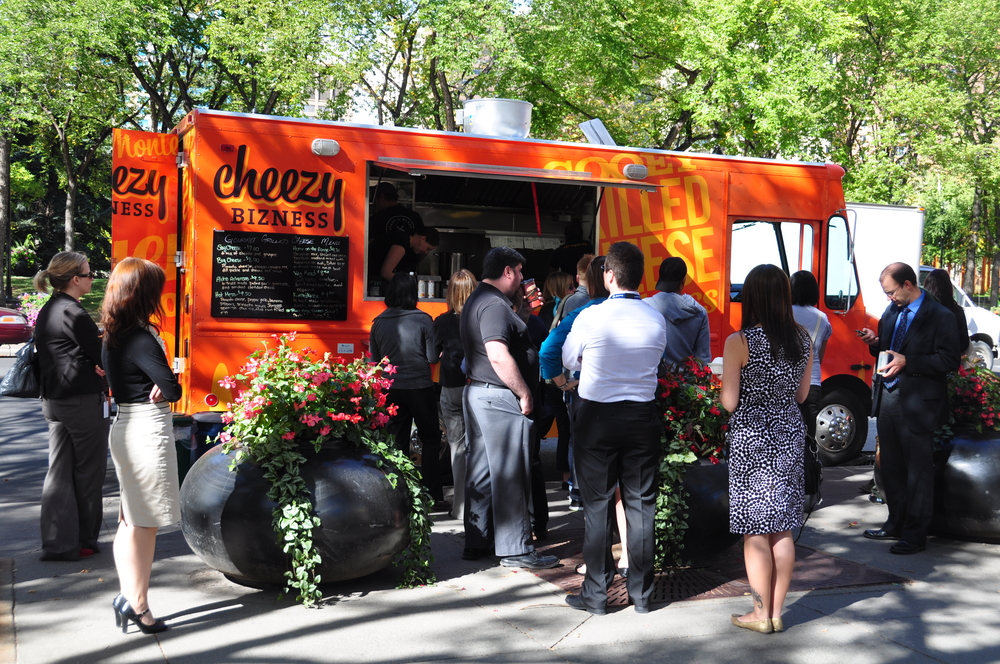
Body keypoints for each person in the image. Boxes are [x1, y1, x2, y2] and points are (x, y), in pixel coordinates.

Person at [561, 242, 666, 615]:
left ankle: (596, 594)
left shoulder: (591, 317)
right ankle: (642, 593)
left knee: (598, 506)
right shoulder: (655, 318)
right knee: (641, 505)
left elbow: (569, 358)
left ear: (608, 275)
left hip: (596, 416)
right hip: (641, 416)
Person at [721, 263, 812, 634]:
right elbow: (802, 395)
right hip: (789, 433)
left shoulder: (739, 342)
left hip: (752, 440)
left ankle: (758, 614)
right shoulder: (803, 337)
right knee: (783, 528)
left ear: (752, 297)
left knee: (756, 527)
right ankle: (774, 612)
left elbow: (729, 402)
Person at [459, 246, 558, 569]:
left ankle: (478, 541)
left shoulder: (482, 300)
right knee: (511, 474)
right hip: (499, 397)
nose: (520, 279)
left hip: (482, 392)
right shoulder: (493, 305)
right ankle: (516, 549)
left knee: (483, 472)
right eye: (518, 272)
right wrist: (524, 393)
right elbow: (498, 354)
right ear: (507, 272)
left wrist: (525, 315)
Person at [101, 257, 182, 634]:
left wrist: (160, 379)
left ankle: (128, 597)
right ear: (143, 292)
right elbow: (172, 388)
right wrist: (166, 380)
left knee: (128, 520)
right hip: (146, 430)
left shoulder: (114, 333)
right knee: (144, 524)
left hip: (125, 426)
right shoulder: (139, 336)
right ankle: (139, 605)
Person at [859, 263, 960, 555]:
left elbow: (949, 360)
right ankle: (896, 521)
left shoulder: (940, 315)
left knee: (917, 472)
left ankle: (915, 534)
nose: (889, 299)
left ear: (907, 284)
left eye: (891, 292)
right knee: (891, 467)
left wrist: (909, 362)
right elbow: (888, 351)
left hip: (919, 402)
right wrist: (874, 343)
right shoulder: (892, 312)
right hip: (889, 397)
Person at [33, 251, 109, 562]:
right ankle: (84, 540)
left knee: (59, 472)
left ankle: (58, 543)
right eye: (90, 274)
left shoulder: (50, 309)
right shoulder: (73, 313)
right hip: (81, 401)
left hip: (55, 399)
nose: (93, 279)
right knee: (89, 473)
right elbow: (102, 354)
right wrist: (100, 365)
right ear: (75, 279)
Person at [369, 273, 446, 510]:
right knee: (431, 439)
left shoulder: (378, 322)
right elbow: (432, 357)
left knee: (396, 441)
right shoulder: (423, 319)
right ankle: (432, 495)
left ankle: (400, 496)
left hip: (392, 389)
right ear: (414, 294)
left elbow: (375, 362)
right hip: (420, 387)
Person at [433, 269, 477, 520]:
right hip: (478, 387)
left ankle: (459, 508)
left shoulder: (441, 321)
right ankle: (479, 506)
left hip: (450, 387)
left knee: (457, 448)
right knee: (479, 447)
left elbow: (430, 355)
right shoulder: (482, 317)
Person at [644, 256, 711, 367]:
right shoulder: (700, 312)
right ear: (684, 279)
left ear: (660, 277)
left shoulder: (646, 306)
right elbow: (703, 358)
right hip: (685, 382)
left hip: (653, 380)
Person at [790, 270, 832, 438]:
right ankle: (810, 464)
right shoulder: (822, 318)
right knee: (808, 434)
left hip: (784, 380)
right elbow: (819, 357)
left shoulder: (782, 313)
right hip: (812, 381)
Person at [367, 226, 440, 296]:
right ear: (422, 239)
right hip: (371, 284)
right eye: (428, 248)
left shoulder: (410, 248)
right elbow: (386, 272)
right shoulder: (402, 242)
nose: (426, 252)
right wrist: (408, 287)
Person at [922, 268, 969, 359]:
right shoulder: (956, 310)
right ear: (949, 287)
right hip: (947, 361)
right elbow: (964, 342)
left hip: (924, 361)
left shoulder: (922, 308)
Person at [553, 254, 594, 330]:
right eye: (570, 287)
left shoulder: (569, 302)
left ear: (577, 278)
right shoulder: (607, 300)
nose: (573, 290)